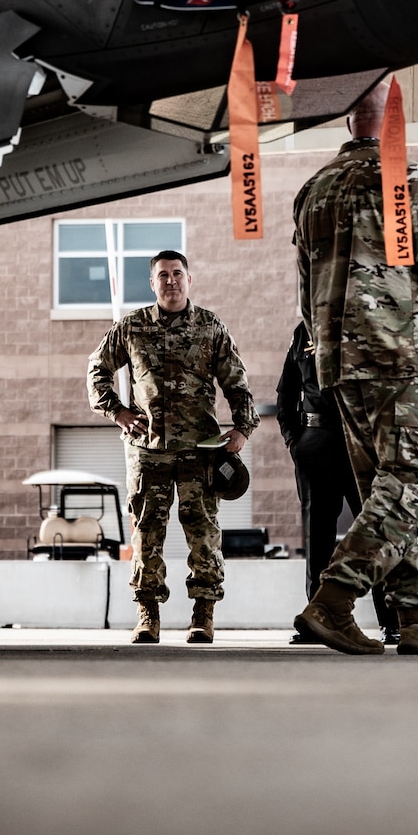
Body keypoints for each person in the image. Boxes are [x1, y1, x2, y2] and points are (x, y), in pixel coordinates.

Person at [291, 79, 418, 656]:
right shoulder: (408, 179)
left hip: (342, 365)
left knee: (386, 487)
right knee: (409, 487)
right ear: (393, 121)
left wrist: (324, 351)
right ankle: (332, 601)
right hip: (403, 357)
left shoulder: (314, 190)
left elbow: (305, 288)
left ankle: (416, 614)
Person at [89, 250, 255, 644]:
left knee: (203, 532)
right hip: (149, 451)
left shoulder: (210, 326)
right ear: (152, 283)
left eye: (177, 274)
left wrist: (243, 429)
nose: (171, 281)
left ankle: (203, 615)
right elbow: (97, 369)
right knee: (147, 531)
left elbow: (236, 383)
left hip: (201, 448)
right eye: (162, 275)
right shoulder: (131, 327)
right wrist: (118, 413)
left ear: (189, 279)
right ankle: (148, 615)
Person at [274, 323, 400, 645]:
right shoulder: (303, 331)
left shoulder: (364, 319)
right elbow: (285, 392)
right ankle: (319, 621)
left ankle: (391, 622)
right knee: (317, 538)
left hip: (361, 446)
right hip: (315, 445)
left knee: (373, 536)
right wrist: (294, 441)